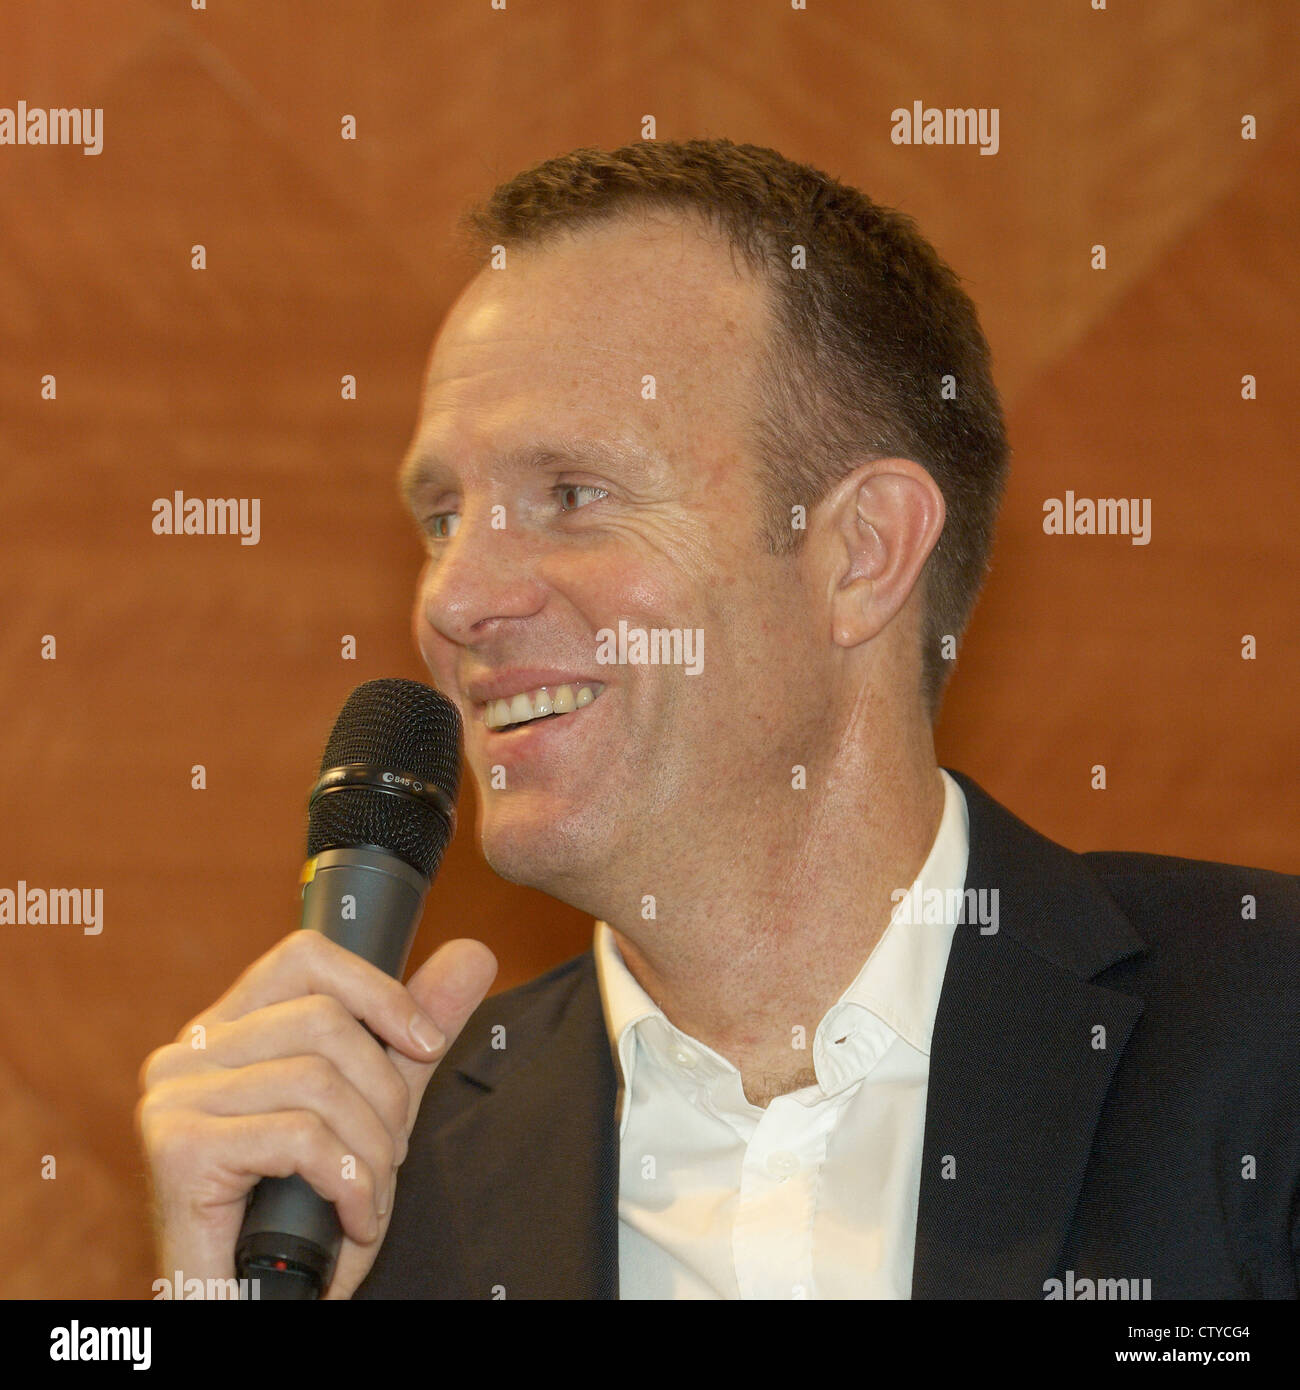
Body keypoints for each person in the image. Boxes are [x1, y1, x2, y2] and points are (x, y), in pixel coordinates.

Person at [136, 139, 1300, 1300]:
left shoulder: (1262, 1032)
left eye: (572, 495)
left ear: (861, 553)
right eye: (442, 516)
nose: (453, 597)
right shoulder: (363, 1183)